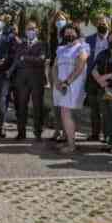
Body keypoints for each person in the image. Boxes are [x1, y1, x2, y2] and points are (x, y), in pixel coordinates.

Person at [51, 24, 89, 154]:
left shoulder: (81, 48)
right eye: (66, 33)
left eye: (72, 32)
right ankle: (68, 140)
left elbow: (80, 66)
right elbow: (54, 66)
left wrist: (67, 82)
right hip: (60, 85)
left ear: (77, 34)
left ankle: (71, 145)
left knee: (66, 113)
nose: (69, 35)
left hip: (72, 85)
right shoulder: (60, 49)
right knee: (64, 113)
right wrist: (56, 81)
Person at [9, 19, 47, 140]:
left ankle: (38, 133)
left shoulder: (42, 45)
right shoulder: (21, 45)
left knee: (37, 107)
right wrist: (9, 71)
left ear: (37, 30)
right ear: (25, 31)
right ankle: (21, 132)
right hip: (22, 80)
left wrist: (25, 58)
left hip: (37, 80)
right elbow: (16, 60)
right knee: (21, 107)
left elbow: (41, 60)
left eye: (33, 28)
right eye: (29, 29)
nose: (31, 31)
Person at [84, 16, 110, 141]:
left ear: (108, 24)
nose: (102, 25)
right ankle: (95, 133)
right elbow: (85, 59)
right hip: (91, 78)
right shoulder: (89, 40)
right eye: (100, 23)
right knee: (93, 108)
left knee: (105, 108)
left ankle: (106, 135)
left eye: (104, 23)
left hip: (106, 78)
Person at [48, 11, 70, 141]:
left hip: (66, 72)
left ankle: (66, 132)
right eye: (57, 20)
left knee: (65, 103)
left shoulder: (70, 36)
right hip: (54, 71)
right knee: (55, 102)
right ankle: (57, 130)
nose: (59, 22)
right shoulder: (52, 36)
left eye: (62, 19)